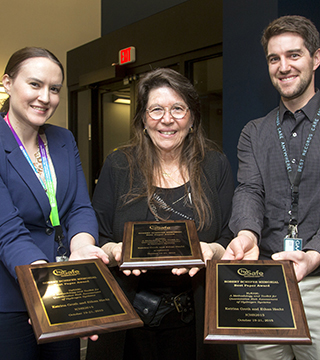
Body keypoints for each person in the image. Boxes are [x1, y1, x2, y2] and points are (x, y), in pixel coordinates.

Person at [86, 68, 238, 360]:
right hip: (128, 320)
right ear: (143, 119)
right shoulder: (119, 165)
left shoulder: (216, 165)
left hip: (197, 319)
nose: (166, 119)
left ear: (192, 117)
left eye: (178, 109)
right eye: (156, 110)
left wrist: (212, 250)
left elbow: (228, 236)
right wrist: (115, 250)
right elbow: (99, 234)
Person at [0, 47, 108, 360]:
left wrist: (83, 247)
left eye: (54, 89)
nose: (45, 98)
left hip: (62, 287)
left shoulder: (63, 139)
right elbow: (7, 231)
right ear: (7, 82)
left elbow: (79, 207)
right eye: (35, 84)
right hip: (12, 297)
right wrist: (41, 291)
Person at [222, 15, 320, 360]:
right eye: (273, 58)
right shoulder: (254, 131)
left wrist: (315, 253)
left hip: (317, 284)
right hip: (263, 281)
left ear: (316, 58)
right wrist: (246, 234)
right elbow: (249, 189)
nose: (283, 66)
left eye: (294, 55)